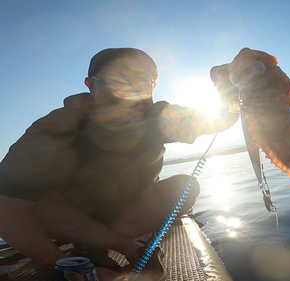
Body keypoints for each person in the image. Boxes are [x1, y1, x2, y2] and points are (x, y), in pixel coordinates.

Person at [0, 48, 239, 280]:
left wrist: (227, 85)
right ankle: (120, 245)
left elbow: (221, 118)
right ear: (91, 85)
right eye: (116, 81)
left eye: (142, 82)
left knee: (184, 186)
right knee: (39, 205)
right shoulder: (56, 126)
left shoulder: (159, 119)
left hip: (130, 210)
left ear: (153, 87)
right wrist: (62, 266)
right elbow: (6, 204)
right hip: (72, 217)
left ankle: (100, 243)